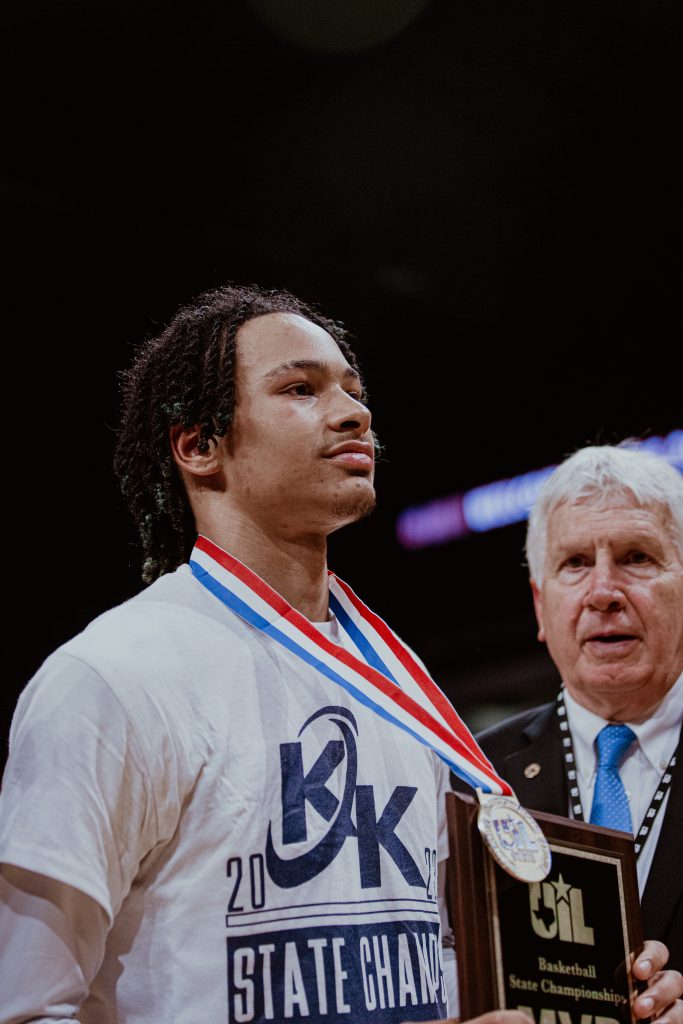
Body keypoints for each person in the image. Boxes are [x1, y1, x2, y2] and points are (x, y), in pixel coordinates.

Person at [0, 286, 679, 1024]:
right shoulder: (110, 679)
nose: (354, 413)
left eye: (355, 392)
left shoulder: (400, 684)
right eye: (300, 388)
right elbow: (26, 1009)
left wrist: (601, 1002)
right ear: (198, 446)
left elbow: (434, 967)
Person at [472, 442, 683, 972]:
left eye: (637, 558)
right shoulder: (476, 775)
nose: (604, 592)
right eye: (575, 563)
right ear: (541, 605)